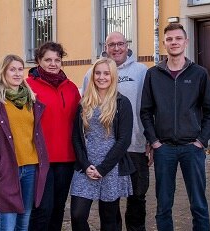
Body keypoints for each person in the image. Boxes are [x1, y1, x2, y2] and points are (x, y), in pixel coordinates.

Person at [140, 23, 210, 231]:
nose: (174, 42)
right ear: (164, 43)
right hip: (163, 149)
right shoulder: (153, 74)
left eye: (178, 38)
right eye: (169, 39)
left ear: (186, 42)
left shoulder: (199, 73)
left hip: (192, 149)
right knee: (163, 205)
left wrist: (201, 141)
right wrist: (154, 141)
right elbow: (145, 111)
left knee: (199, 204)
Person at [83, 31, 151, 231]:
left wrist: (150, 139)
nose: (116, 48)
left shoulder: (141, 71)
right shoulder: (92, 73)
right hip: (106, 152)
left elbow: (149, 107)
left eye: (120, 44)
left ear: (127, 45)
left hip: (135, 145)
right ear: (105, 47)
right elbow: (85, 108)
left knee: (137, 195)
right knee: (110, 201)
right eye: (111, 44)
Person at [0, 55, 49, 231]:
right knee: (8, 225)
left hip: (31, 167)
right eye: (12, 69)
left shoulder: (30, 99)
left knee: (23, 224)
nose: (17, 74)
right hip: (8, 169)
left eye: (20, 69)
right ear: (3, 72)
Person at [71, 57, 135, 231]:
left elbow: (124, 140)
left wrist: (103, 168)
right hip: (86, 166)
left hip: (111, 166)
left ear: (113, 76)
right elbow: (76, 137)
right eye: (97, 73)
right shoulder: (84, 103)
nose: (101, 77)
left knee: (109, 218)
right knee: (77, 215)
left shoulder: (122, 103)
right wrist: (86, 166)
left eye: (106, 73)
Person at [27, 41, 81, 231]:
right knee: (42, 209)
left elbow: (79, 122)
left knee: (58, 208)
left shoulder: (71, 88)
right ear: (38, 61)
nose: (53, 63)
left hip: (66, 158)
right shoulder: (28, 86)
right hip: (40, 159)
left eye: (57, 60)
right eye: (48, 59)